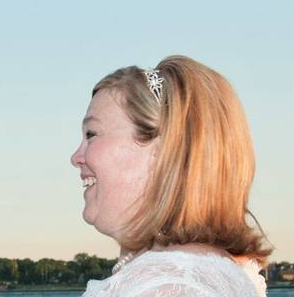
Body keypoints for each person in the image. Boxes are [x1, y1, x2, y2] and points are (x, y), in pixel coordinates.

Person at [71, 55, 271, 297]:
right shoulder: (196, 275)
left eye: (91, 134)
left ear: (161, 150)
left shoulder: (166, 286)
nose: (76, 157)